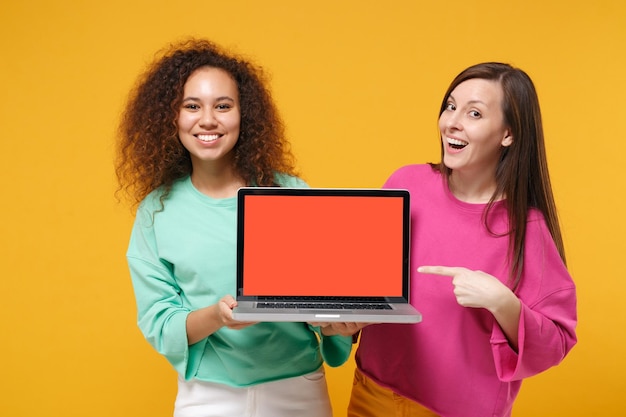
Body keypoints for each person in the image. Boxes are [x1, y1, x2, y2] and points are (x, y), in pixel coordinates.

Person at [115, 38, 353, 417]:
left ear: (245, 115)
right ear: (169, 116)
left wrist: (341, 324)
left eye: (223, 106)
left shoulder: (291, 194)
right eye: (191, 106)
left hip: (298, 390)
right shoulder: (156, 212)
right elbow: (160, 321)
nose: (207, 120)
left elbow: (326, 297)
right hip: (206, 397)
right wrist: (218, 315)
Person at [347, 62, 578, 417]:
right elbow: (362, 277)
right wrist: (341, 319)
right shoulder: (406, 184)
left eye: (474, 113)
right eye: (451, 106)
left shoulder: (526, 227)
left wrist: (504, 303)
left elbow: (557, 342)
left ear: (508, 134)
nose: (452, 122)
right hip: (373, 396)